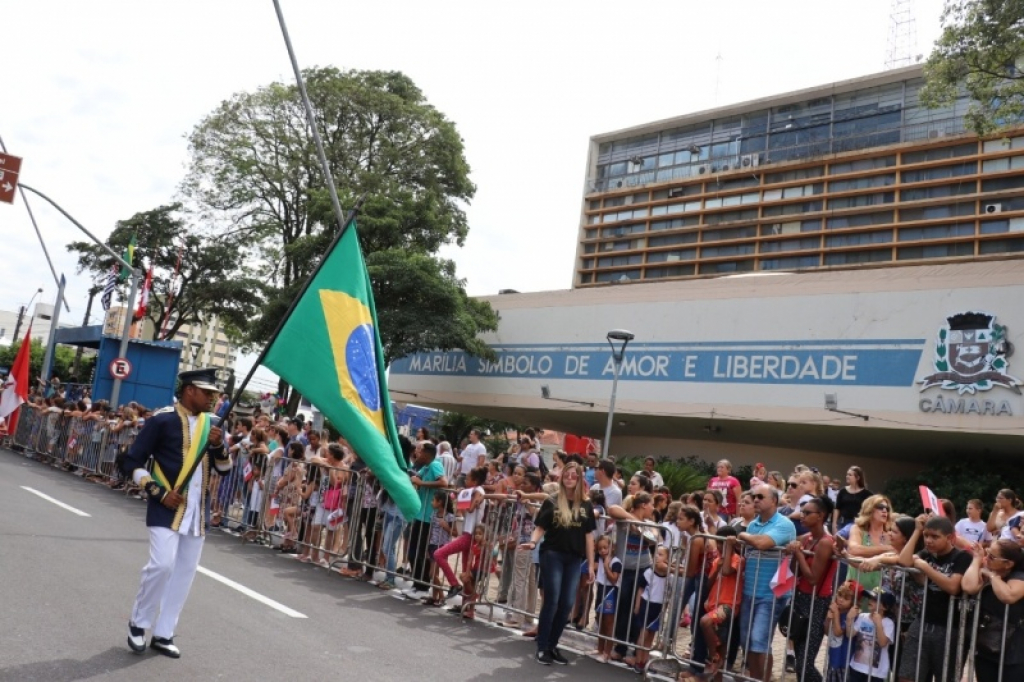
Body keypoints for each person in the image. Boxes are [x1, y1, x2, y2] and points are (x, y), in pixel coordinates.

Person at [122, 369, 231, 658]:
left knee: (184, 574)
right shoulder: (163, 419)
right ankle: (139, 622)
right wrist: (157, 491)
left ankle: (164, 632)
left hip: (197, 511)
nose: (212, 398)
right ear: (189, 390)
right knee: (161, 565)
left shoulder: (216, 424)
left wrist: (219, 445)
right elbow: (132, 462)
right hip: (164, 508)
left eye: (214, 393)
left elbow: (225, 468)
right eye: (207, 392)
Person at [520, 462, 596, 666]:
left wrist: (590, 565)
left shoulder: (586, 505)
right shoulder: (552, 501)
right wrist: (533, 542)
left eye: (574, 475)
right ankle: (542, 646)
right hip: (552, 554)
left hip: (574, 558)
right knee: (552, 600)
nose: (570, 478)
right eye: (567, 475)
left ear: (580, 479)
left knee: (567, 604)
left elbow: (589, 536)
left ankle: (552, 645)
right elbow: (540, 527)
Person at [897, 514, 972, 682]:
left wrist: (925, 568)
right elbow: (903, 561)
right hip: (922, 622)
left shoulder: (962, 557)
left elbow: (953, 587)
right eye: (926, 535)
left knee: (945, 676)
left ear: (950, 538)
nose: (929, 540)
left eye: (935, 537)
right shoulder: (927, 553)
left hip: (950, 628)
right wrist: (917, 531)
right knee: (907, 675)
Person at [737, 484, 798, 682]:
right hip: (749, 591)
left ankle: (763, 679)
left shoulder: (784, 524)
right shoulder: (754, 524)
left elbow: (762, 543)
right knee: (747, 641)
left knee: (759, 640)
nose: (755, 500)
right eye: (754, 496)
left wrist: (743, 534)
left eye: (760, 496)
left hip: (772, 593)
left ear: (774, 500)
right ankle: (756, 677)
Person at [788, 496, 837, 682]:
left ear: (821, 516)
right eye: (802, 512)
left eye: (808, 513)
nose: (802, 516)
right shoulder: (805, 538)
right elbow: (794, 571)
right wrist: (795, 552)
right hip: (800, 599)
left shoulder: (825, 542)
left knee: (804, 663)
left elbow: (814, 578)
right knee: (800, 657)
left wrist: (799, 553)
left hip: (817, 603)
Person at [962, 539, 1024, 682]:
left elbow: (1008, 595)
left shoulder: (1019, 576)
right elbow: (968, 587)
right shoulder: (987, 567)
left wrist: (992, 576)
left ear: (1008, 564)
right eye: (987, 553)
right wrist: (977, 559)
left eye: (991, 557)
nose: (986, 558)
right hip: (987, 644)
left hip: (1014, 650)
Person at [404, 442, 448, 599]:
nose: (417, 454)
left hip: (428, 518)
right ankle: (416, 584)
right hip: (419, 514)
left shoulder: (435, 465)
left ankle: (423, 587)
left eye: (420, 451)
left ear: (427, 453)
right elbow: (416, 477)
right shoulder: (425, 467)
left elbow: (444, 482)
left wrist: (422, 483)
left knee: (421, 553)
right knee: (412, 552)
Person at [848, 588, 896, 682]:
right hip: (857, 667)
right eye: (870, 598)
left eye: (875, 600)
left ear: (885, 607)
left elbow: (882, 643)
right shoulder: (863, 617)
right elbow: (849, 634)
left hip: (876, 672)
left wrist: (878, 624)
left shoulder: (888, 623)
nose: (870, 601)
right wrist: (849, 619)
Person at [833, 467, 872, 533]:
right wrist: (834, 524)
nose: (847, 476)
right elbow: (837, 508)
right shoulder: (843, 491)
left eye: (850, 475)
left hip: (858, 524)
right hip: (843, 523)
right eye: (847, 474)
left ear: (857, 478)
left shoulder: (867, 494)